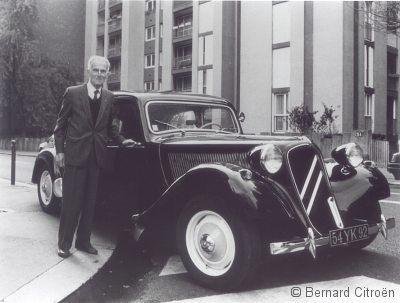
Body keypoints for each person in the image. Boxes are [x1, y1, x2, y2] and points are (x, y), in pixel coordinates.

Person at [54, 55, 135, 258]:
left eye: (103, 71)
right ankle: (64, 244)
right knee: (71, 203)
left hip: (97, 157)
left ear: (108, 74)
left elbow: (110, 127)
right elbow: (60, 127)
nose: (99, 74)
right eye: (96, 70)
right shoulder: (72, 93)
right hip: (75, 156)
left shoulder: (109, 97)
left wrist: (123, 140)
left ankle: (83, 242)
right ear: (89, 72)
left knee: (90, 203)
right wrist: (60, 152)